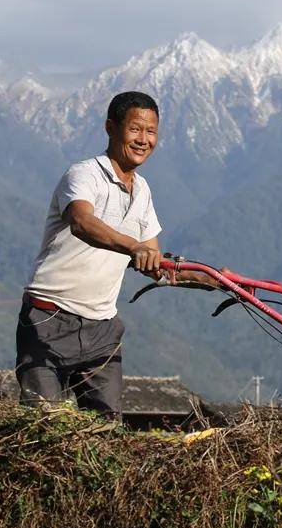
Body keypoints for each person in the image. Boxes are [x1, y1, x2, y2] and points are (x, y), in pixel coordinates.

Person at [16, 90, 205, 420]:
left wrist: (213, 280)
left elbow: (155, 266)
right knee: (42, 428)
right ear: (111, 128)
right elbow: (82, 222)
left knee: (106, 431)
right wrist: (133, 247)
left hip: (102, 329)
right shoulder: (84, 175)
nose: (143, 140)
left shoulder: (142, 191)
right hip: (49, 318)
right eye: (135, 129)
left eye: (151, 132)